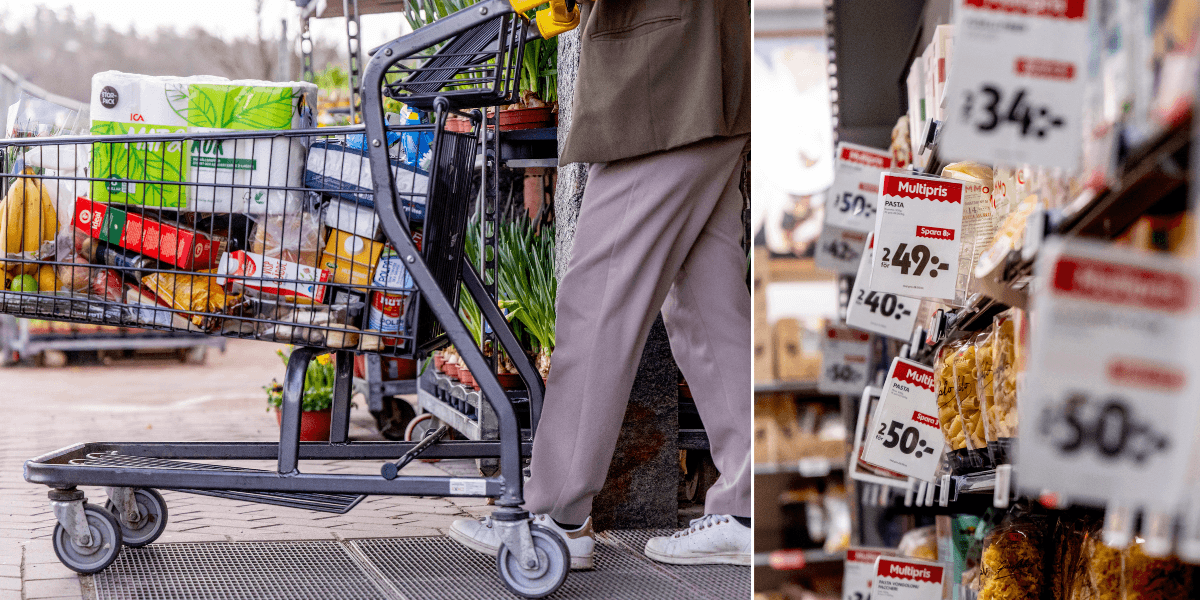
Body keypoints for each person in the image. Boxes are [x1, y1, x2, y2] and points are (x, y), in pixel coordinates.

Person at [450, 0, 751, 569]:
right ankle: (745, 507)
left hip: (663, 82)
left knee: (598, 302)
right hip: (711, 73)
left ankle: (556, 517)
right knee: (708, 307)